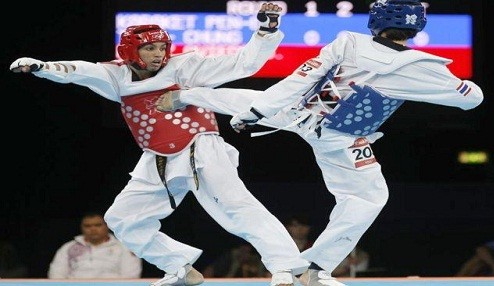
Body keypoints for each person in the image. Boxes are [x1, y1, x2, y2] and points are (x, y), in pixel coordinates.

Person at [153, 0, 484, 285]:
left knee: (248, 99)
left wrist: (256, 111)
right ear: (417, 28)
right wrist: (454, 86)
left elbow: (300, 78)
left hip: (303, 111)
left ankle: (185, 96)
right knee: (367, 197)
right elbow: (471, 99)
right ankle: (316, 268)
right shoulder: (424, 67)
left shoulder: (348, 42)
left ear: (375, 22)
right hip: (341, 138)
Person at [10, 3, 310, 286]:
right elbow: (79, 71)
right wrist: (42, 66)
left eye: (162, 47)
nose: (158, 54)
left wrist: (266, 32)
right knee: (122, 218)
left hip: (201, 148)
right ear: (130, 50)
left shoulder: (185, 67)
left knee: (236, 208)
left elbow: (244, 63)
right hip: (157, 156)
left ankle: (290, 268)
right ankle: (179, 266)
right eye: (150, 47)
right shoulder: (115, 77)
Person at [47, 212, 142, 279]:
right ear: (82, 228)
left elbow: (131, 277)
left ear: (107, 226)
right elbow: (56, 274)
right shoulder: (68, 247)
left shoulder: (124, 248)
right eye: (88, 226)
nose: (93, 229)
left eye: (98, 225)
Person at [202, 242, 270, 278]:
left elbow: (266, 276)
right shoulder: (229, 257)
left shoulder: (257, 259)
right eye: (242, 251)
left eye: (247, 252)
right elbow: (208, 271)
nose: (244, 254)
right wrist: (236, 264)